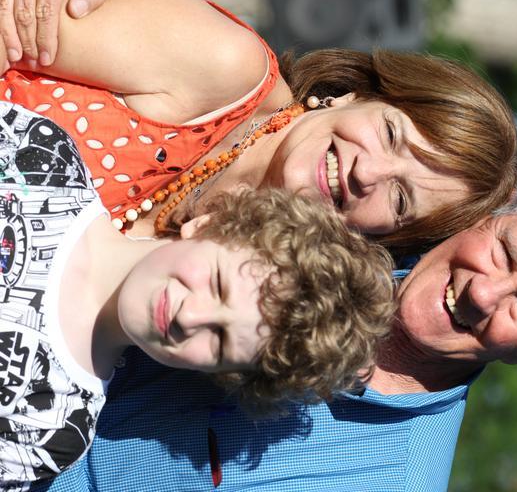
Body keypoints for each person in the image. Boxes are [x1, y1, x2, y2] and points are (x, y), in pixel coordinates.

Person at [33, 181, 517, 491]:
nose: (484, 293)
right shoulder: (348, 209)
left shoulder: (390, 480)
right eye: (505, 252)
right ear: (491, 213)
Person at [0, 102, 395, 488]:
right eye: (218, 284)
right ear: (209, 224)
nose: (191, 317)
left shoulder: (54, 423)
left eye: (220, 341)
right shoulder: (41, 160)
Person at [0, 0, 517, 254]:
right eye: (391, 134)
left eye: (401, 198)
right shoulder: (222, 65)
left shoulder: (231, 294)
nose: (369, 173)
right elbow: (11, 20)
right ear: (353, 94)